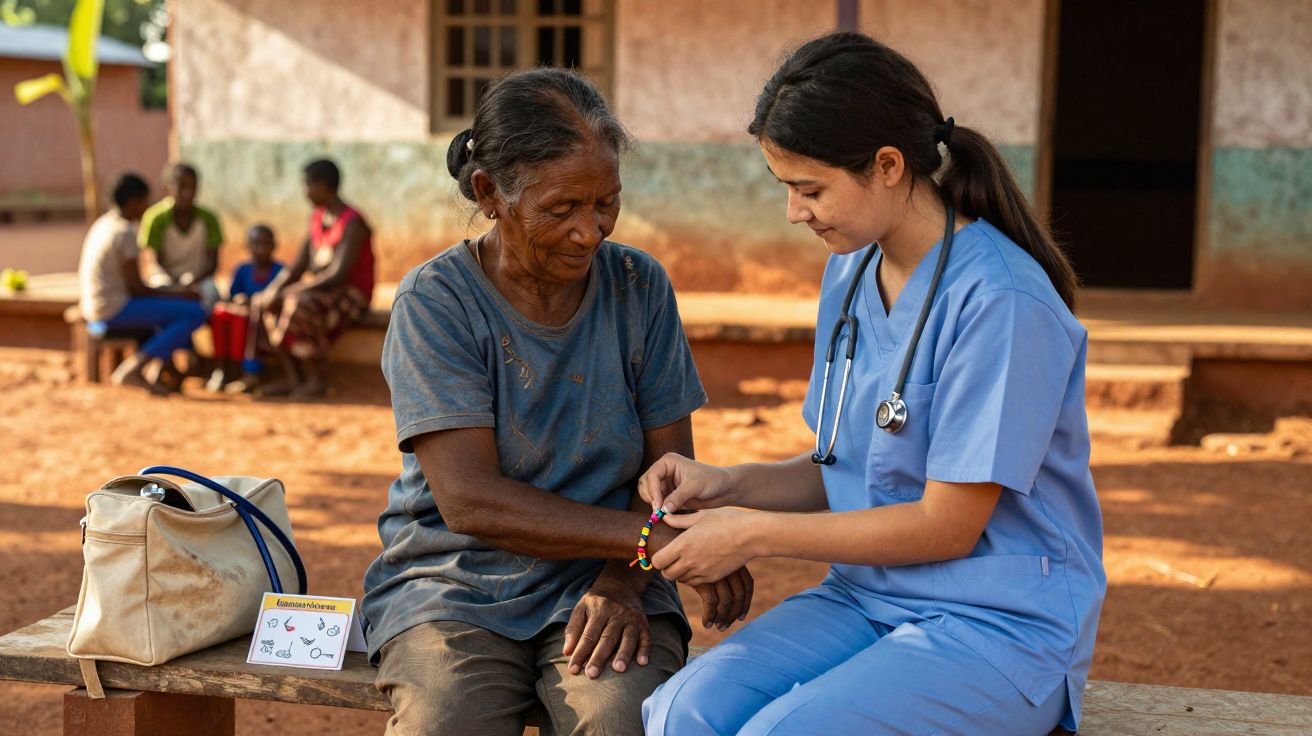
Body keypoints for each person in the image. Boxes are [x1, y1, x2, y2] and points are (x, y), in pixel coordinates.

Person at [640, 32, 1105, 736]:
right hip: (868, 599)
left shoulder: (1002, 301)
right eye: (788, 189)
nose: (795, 212)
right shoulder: (851, 271)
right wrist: (728, 486)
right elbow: (850, 467)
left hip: (999, 623)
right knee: (681, 712)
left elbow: (947, 524)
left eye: (810, 189)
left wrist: (754, 534)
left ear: (888, 166)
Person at [360, 68, 753, 736]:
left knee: (616, 717)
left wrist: (625, 579)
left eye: (607, 202)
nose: (591, 231)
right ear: (490, 194)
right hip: (452, 581)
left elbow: (669, 476)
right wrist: (654, 541)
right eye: (563, 208)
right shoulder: (437, 303)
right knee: (444, 719)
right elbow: (470, 501)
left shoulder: (638, 286)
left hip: (609, 573)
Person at [252, 159, 374, 398]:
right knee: (266, 303)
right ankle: (293, 378)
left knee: (299, 303)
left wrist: (289, 292)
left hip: (351, 295)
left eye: (308, 184)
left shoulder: (353, 223)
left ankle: (316, 378)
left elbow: (337, 274)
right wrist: (272, 290)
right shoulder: (317, 218)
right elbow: (296, 266)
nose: (305, 191)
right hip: (321, 291)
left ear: (324, 186)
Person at [78, 173, 207, 395]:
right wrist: (178, 293)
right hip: (114, 308)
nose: (147, 206)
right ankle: (134, 367)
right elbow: (137, 288)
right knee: (194, 313)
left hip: (95, 305)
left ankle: (164, 369)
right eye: (145, 200)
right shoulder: (124, 232)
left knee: (173, 311)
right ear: (134, 201)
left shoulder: (104, 223)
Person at [205, 224, 284, 391]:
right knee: (221, 314)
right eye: (256, 243)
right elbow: (232, 296)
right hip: (241, 315)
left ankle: (250, 373)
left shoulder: (281, 271)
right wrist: (239, 300)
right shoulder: (243, 270)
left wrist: (254, 303)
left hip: (264, 318)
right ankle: (222, 369)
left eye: (265, 244)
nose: (261, 249)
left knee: (251, 319)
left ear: (273, 245)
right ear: (249, 246)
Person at [138, 163, 224, 309]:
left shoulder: (209, 219)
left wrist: (194, 280)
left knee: (212, 296)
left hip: (198, 280)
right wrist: (177, 286)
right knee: (161, 299)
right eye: (182, 187)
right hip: (166, 279)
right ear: (169, 187)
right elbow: (153, 262)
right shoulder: (155, 218)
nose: (188, 193)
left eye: (193, 187)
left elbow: (213, 263)